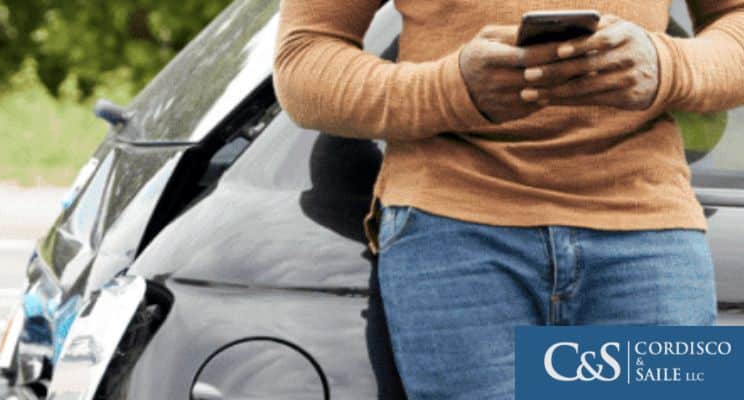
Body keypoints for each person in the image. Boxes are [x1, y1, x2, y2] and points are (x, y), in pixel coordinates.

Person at [273, 1, 744, 399]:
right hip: (452, 238)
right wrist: (449, 88)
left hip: (649, 245)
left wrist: (668, 65)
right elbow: (302, 61)